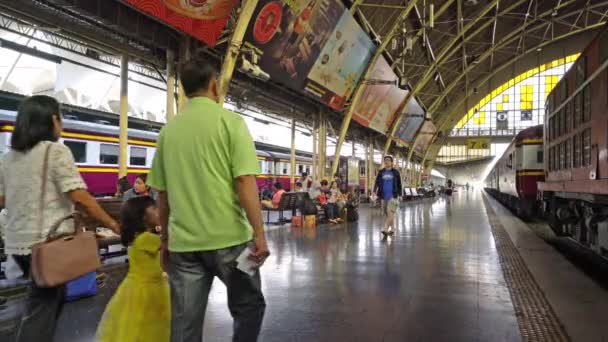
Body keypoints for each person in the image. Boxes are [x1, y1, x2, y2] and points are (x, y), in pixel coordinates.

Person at [147, 60, 269, 342]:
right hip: (233, 242)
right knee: (249, 306)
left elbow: (162, 196)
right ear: (214, 84)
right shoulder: (231, 123)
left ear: (184, 89)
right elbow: (244, 183)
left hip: (185, 246)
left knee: (185, 324)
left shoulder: (168, 132)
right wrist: (259, 235)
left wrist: (165, 239)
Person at [0, 95, 119, 342]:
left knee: (40, 302)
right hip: (47, 244)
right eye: (60, 117)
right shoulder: (55, 151)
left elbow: (3, 200)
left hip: (17, 244)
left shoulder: (7, 158)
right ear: (53, 119)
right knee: (42, 308)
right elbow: (80, 196)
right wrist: (112, 223)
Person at [96, 196, 170, 342]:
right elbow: (169, 245)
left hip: (134, 286)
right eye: (154, 209)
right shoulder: (147, 239)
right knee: (149, 325)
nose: (158, 211)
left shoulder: (137, 237)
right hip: (149, 288)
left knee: (136, 325)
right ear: (143, 217)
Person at [374, 155, 402, 235]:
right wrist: (374, 191)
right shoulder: (381, 172)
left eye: (388, 160)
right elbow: (377, 182)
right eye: (385, 160)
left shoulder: (396, 172)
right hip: (383, 196)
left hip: (393, 196)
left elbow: (399, 184)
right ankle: (393, 228)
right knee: (388, 213)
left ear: (392, 162)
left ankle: (385, 228)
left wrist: (400, 195)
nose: (386, 162)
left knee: (390, 212)